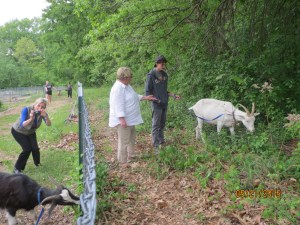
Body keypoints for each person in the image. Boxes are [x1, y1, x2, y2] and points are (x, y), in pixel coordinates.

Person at [109, 67, 156, 164]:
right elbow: (118, 104)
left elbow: (133, 96)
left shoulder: (127, 86)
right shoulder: (118, 88)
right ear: (125, 77)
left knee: (131, 138)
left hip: (130, 119)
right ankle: (122, 161)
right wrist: (122, 119)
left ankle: (131, 155)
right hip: (124, 121)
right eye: (130, 76)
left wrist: (145, 97)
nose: (131, 78)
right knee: (124, 141)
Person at [145, 55, 180, 153]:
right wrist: (156, 100)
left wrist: (173, 95)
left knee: (162, 124)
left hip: (164, 103)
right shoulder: (151, 76)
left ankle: (161, 141)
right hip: (156, 105)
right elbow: (148, 93)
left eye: (164, 64)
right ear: (156, 63)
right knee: (156, 125)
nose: (163, 66)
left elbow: (164, 91)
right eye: (161, 64)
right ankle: (156, 146)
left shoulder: (165, 75)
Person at [11, 97, 51, 173]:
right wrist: (31, 119)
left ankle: (38, 164)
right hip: (18, 131)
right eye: (38, 105)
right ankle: (17, 168)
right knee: (27, 149)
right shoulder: (26, 109)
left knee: (35, 148)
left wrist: (46, 116)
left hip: (30, 132)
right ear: (35, 104)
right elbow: (23, 124)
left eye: (42, 107)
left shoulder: (42, 113)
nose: (40, 108)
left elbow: (48, 124)